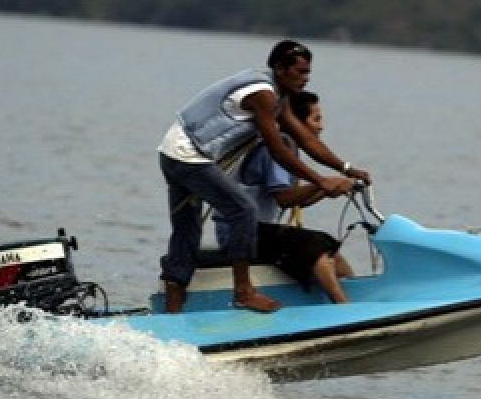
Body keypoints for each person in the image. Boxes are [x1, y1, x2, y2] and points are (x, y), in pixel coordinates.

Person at [157, 40, 370, 313]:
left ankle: (173, 311)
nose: (305, 79)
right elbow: (278, 149)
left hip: (175, 152)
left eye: (308, 73)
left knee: (187, 230)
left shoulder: (278, 96)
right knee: (242, 209)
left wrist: (346, 167)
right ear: (280, 69)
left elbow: (304, 138)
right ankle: (244, 293)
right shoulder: (262, 94)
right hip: (187, 156)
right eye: (300, 72)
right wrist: (320, 181)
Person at [214, 90, 354, 304]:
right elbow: (284, 198)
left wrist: (327, 189)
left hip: (259, 229)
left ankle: (351, 298)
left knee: (335, 257)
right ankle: (343, 307)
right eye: (316, 119)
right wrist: (325, 183)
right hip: (241, 231)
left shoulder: (286, 147)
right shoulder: (277, 147)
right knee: (316, 243)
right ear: (295, 122)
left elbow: (298, 200)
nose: (320, 126)